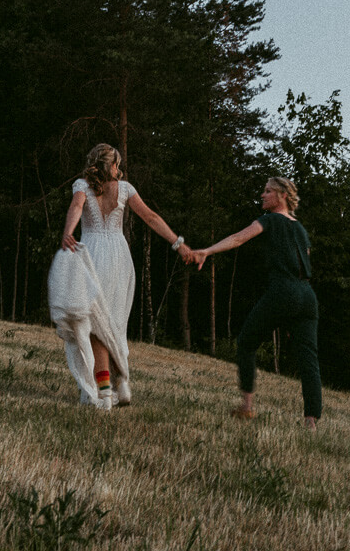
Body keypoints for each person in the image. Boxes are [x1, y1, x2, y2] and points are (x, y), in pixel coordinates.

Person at [48, 142, 190, 409]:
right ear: (109, 165)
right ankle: (121, 384)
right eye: (117, 164)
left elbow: (77, 208)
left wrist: (68, 232)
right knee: (112, 322)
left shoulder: (82, 186)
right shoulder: (125, 189)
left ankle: (104, 391)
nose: (119, 169)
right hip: (118, 256)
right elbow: (150, 217)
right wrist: (178, 243)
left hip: (91, 253)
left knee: (95, 323)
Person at [191, 176, 321, 429]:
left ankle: (247, 407)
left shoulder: (270, 220)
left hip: (283, 291)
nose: (262, 195)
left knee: (247, 342)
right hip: (308, 295)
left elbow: (239, 238)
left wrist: (206, 251)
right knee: (309, 359)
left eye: (268, 191)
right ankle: (311, 421)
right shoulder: (301, 228)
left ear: (283, 195)